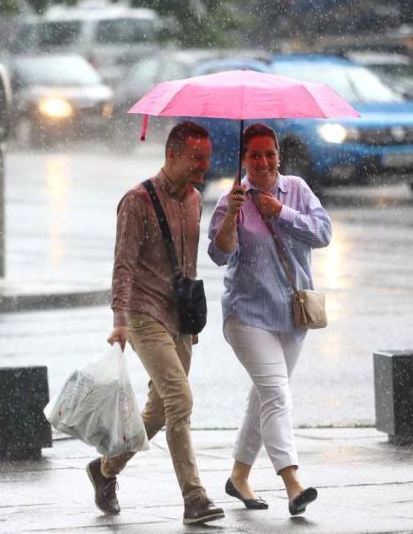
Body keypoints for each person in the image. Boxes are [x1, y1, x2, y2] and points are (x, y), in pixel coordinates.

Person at [87, 121, 225, 526]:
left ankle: (105, 470)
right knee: (181, 399)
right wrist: (120, 320)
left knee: (160, 412)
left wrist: (192, 317)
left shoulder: (196, 199)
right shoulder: (136, 200)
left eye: (207, 158)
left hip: (179, 317)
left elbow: (188, 263)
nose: (204, 165)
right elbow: (123, 265)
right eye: (196, 158)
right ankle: (194, 496)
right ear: (172, 154)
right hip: (144, 314)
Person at [208, 123, 331, 516]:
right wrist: (233, 216)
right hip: (247, 315)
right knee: (277, 394)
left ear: (279, 155)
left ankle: (239, 476)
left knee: (264, 397)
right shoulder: (232, 200)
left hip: (292, 315)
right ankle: (293, 483)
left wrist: (282, 212)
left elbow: (323, 232)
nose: (263, 162)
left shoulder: (296, 189)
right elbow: (219, 254)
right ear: (244, 158)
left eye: (270, 154)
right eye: (255, 155)